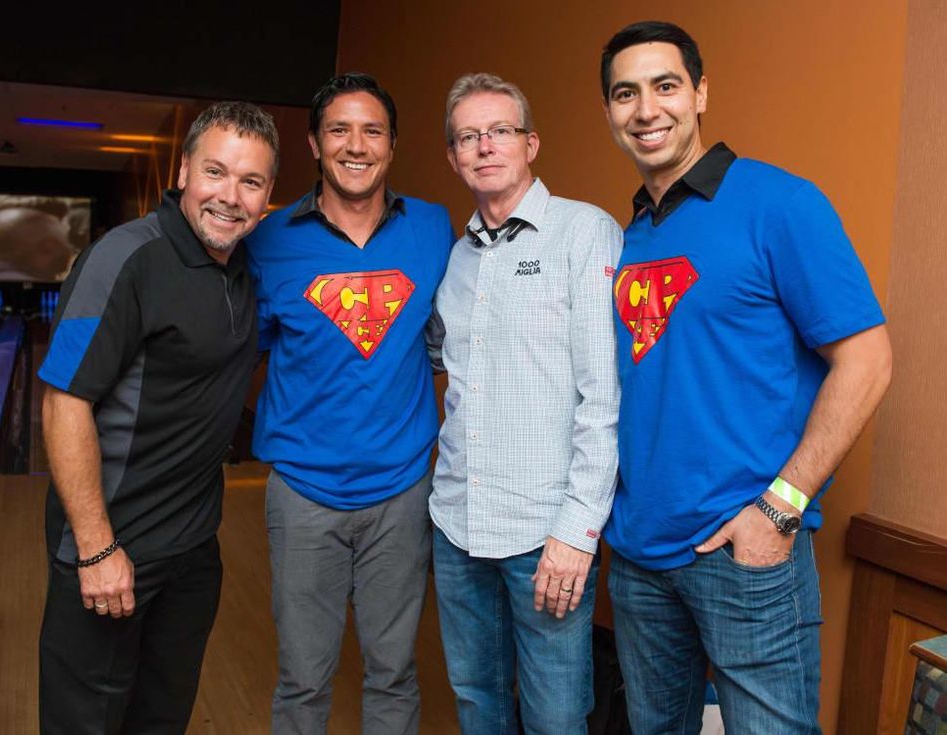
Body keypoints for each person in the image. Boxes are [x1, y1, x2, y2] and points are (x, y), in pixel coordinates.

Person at [599, 21, 893, 734]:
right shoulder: (633, 232)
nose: (646, 109)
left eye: (666, 86)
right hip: (638, 556)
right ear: (609, 110)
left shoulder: (779, 203)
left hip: (745, 557)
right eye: (625, 93)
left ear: (700, 93)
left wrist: (780, 507)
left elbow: (868, 358)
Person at [37, 100, 278, 734]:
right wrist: (96, 549)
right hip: (112, 549)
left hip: (194, 549)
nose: (230, 196)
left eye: (250, 181)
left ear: (267, 194)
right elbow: (63, 400)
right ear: (182, 172)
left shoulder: (248, 269)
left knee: (161, 720)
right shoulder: (122, 258)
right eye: (216, 172)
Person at [244, 73, 453, 735]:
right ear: (313, 142)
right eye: (339, 129)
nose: (356, 145)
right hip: (304, 494)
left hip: (402, 491)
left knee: (393, 671)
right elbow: (248, 346)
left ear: (392, 145)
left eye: (372, 130)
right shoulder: (269, 241)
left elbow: (447, 335)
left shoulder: (432, 227)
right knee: (303, 678)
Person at [428, 72, 622, 734]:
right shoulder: (453, 261)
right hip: (455, 523)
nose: (484, 146)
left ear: (530, 143)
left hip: (545, 535)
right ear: (454, 157)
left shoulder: (584, 232)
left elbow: (605, 396)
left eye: (500, 131)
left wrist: (578, 531)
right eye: (467, 137)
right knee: (477, 699)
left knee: (556, 716)